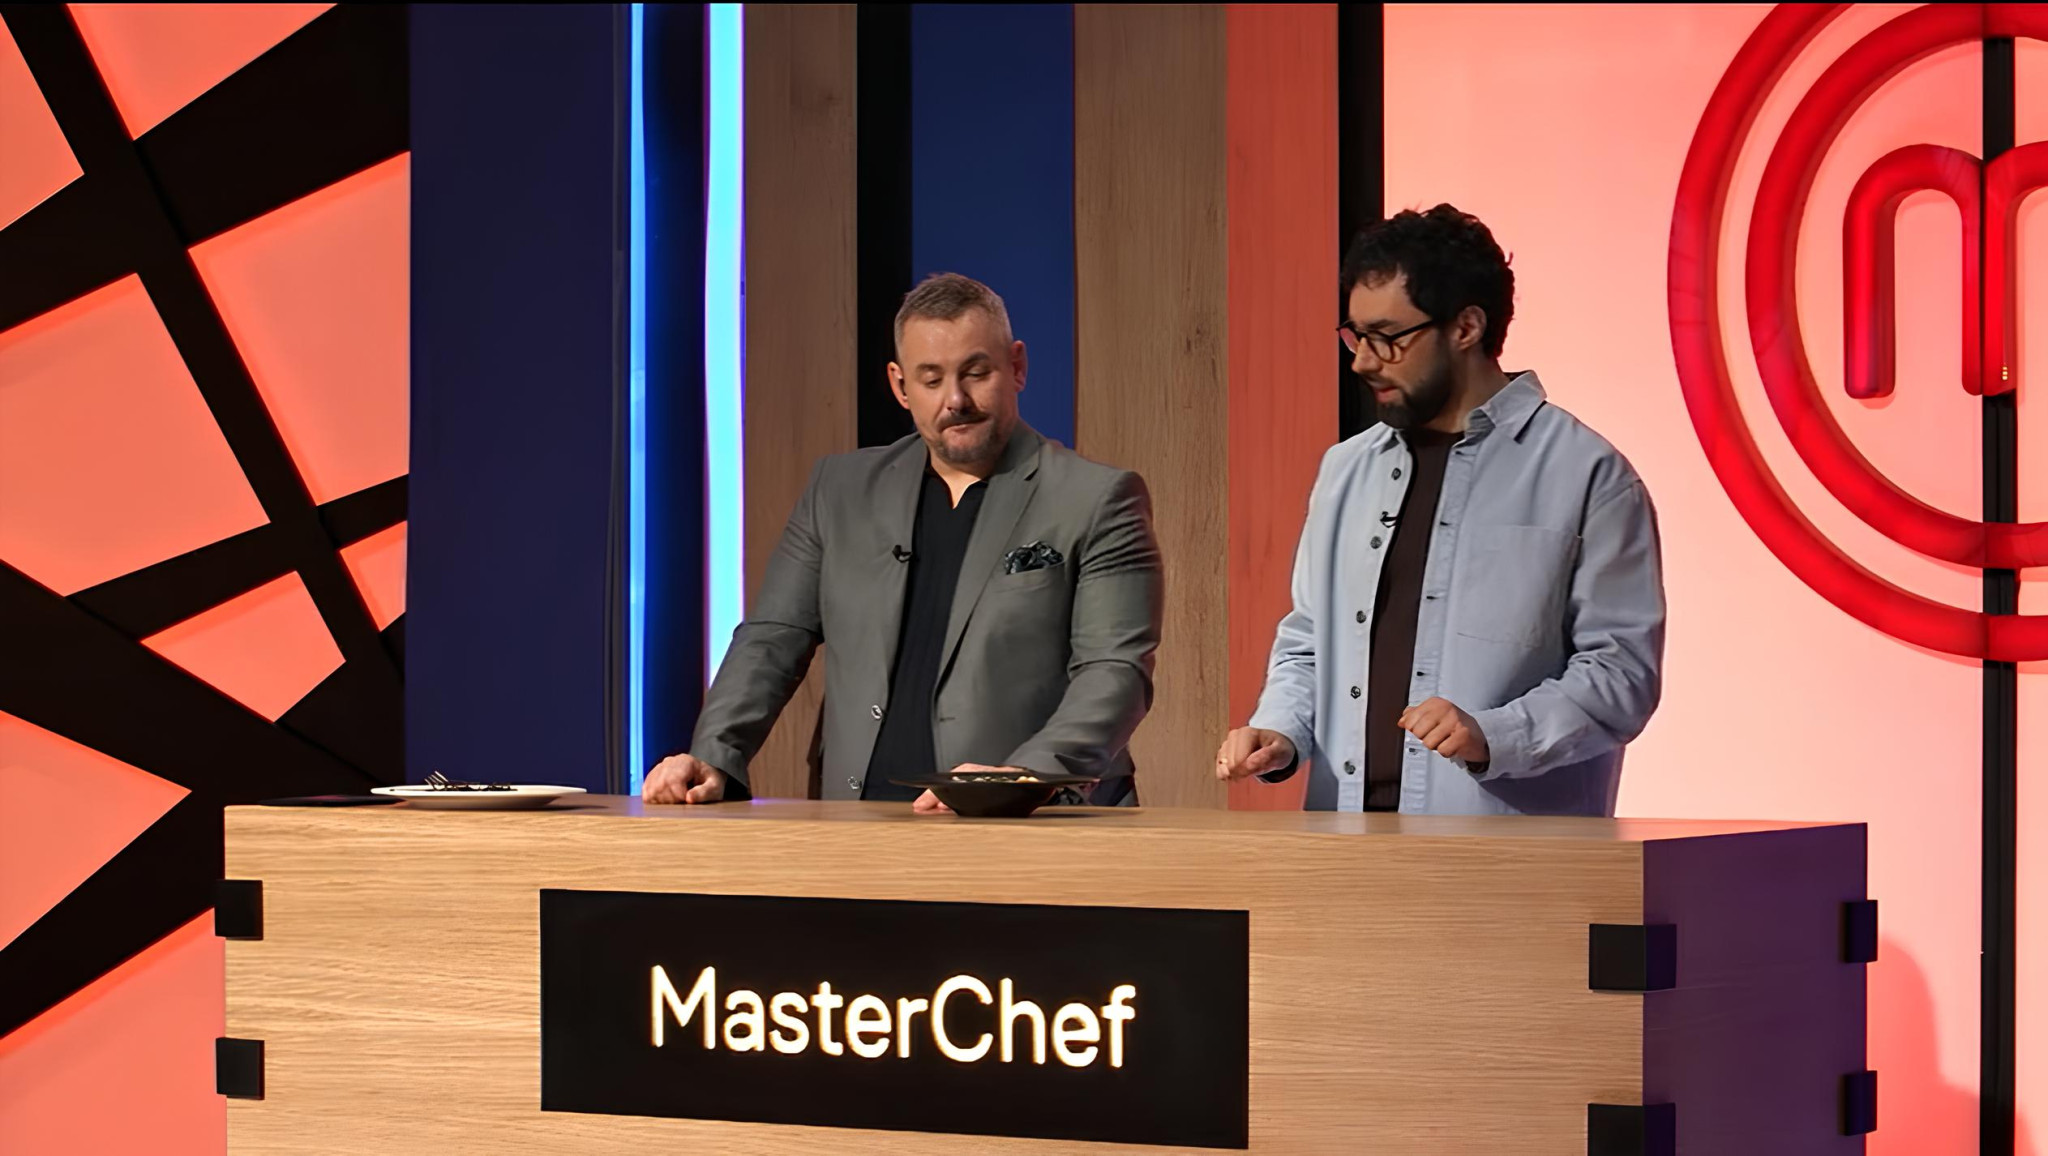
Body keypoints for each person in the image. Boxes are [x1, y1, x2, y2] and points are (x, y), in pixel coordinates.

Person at [647, 273, 1162, 811]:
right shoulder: (839, 490)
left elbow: (1115, 671)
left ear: (1016, 366)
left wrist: (1023, 777)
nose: (955, 400)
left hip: (1033, 821)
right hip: (861, 818)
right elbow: (772, 639)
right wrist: (714, 753)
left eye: (976, 373)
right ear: (899, 385)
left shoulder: (1097, 498)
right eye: (931, 379)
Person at [1216, 205, 1664, 815]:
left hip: (1509, 854)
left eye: (1387, 337)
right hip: (1343, 845)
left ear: (1466, 327)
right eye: (1355, 336)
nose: (1362, 360)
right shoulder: (1345, 470)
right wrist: (1280, 732)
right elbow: (1308, 643)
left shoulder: (1588, 474)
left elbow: (1621, 673)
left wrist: (1494, 736)